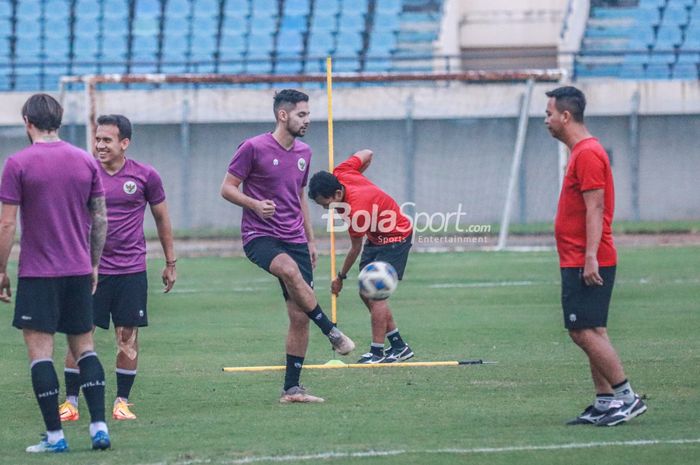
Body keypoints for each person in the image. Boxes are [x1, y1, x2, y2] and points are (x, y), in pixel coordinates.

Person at [220, 89, 355, 403]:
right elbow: (226, 188)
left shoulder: (305, 152)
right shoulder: (252, 147)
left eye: (308, 114)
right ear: (283, 115)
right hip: (260, 236)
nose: (307, 120)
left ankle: (292, 389)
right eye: (301, 114)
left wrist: (310, 239)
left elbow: (298, 197)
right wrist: (254, 205)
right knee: (288, 270)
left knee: (298, 315)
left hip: (295, 238)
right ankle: (332, 331)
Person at [0, 93, 111, 452]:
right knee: (85, 349)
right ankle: (99, 428)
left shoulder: (17, 163)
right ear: (59, 122)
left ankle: (55, 437)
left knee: (41, 354)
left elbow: (6, 224)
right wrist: (92, 263)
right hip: (78, 270)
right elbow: (100, 218)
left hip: (37, 273)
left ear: (27, 122)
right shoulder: (85, 161)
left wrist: (1, 271)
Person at [58, 114, 177, 422]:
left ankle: (122, 401)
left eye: (107, 140)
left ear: (124, 143)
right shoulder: (82, 173)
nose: (99, 145)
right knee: (80, 333)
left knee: (127, 336)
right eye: (97, 139)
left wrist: (170, 261)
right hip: (89, 270)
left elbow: (162, 219)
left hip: (131, 270)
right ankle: (70, 402)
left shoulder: (145, 176)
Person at [545, 86, 647, 426]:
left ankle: (626, 398)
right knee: (592, 330)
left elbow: (596, 207)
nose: (546, 120)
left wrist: (590, 257)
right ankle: (605, 402)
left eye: (549, 114)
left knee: (582, 331)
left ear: (565, 116)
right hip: (579, 255)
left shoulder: (588, 153)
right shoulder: (581, 151)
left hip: (585, 257)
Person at [308, 149, 414, 364]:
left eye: (326, 204)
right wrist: (361, 176)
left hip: (395, 237)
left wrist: (340, 277)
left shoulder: (355, 210)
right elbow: (367, 153)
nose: (327, 209)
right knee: (366, 293)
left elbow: (355, 247)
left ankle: (376, 352)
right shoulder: (342, 172)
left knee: (376, 294)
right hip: (376, 237)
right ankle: (399, 346)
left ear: (337, 194)